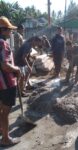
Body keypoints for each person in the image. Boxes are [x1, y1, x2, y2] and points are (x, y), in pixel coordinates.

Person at [0, 16, 21, 146]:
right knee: (6, 111)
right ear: (3, 30)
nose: (11, 32)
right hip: (6, 83)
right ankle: (5, 139)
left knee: (0, 109)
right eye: (9, 30)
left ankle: (2, 130)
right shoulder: (3, 43)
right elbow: (5, 66)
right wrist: (17, 69)